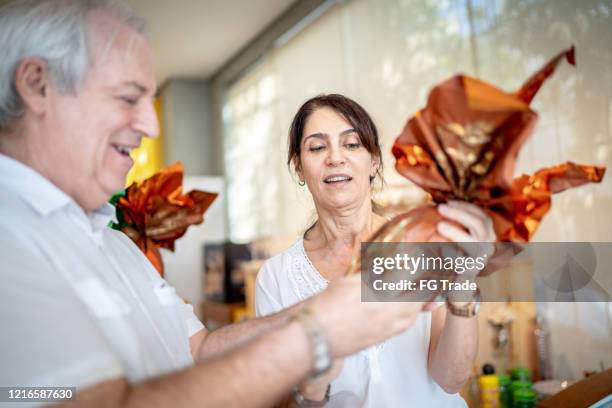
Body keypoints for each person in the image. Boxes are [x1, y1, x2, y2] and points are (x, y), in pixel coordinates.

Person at [0, 1, 425, 407]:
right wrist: (316, 334)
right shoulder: (9, 234)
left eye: (352, 144)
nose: (150, 125)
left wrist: (330, 305)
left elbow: (199, 348)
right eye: (128, 98)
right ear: (38, 85)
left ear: (373, 160)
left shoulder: (114, 243)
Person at [256, 94, 496, 407]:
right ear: (299, 168)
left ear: (374, 161)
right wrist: (313, 384)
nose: (335, 157)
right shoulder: (276, 278)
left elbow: (451, 380)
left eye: (352, 144)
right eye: (317, 147)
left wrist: (463, 282)